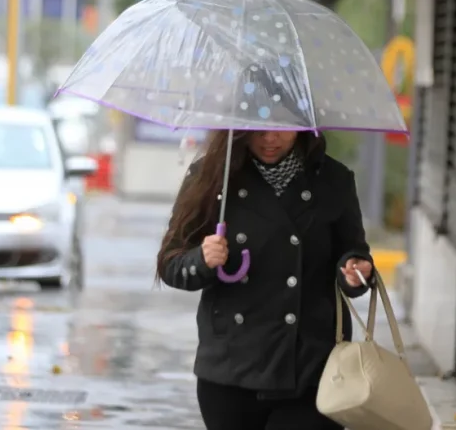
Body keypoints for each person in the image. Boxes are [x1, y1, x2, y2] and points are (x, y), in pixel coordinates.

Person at [156, 129, 376, 430]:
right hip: (232, 369)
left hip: (313, 369)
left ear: (302, 125)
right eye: (259, 130)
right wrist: (202, 260)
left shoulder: (332, 179)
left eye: (281, 128)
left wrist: (355, 270)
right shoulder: (212, 176)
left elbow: (352, 251)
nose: (269, 139)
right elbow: (171, 263)